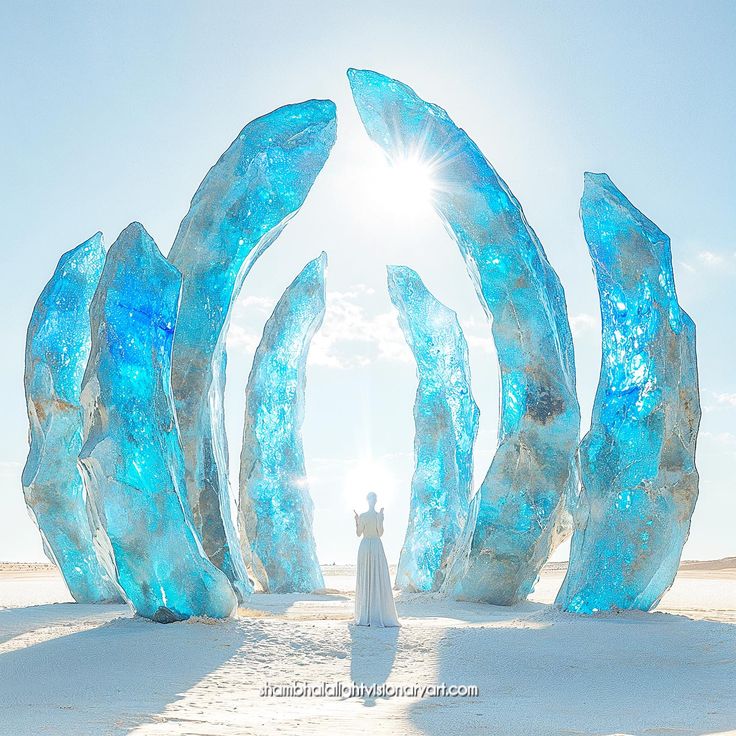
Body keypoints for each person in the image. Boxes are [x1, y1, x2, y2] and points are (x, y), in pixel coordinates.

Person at [353, 492, 400, 627]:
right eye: (371, 498)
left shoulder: (373, 515)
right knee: (369, 577)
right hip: (370, 545)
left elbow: (379, 532)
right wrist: (357, 520)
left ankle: (370, 613)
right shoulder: (365, 515)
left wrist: (380, 519)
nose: (372, 501)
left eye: (374, 499)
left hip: (371, 545)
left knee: (375, 576)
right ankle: (370, 613)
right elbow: (359, 533)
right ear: (368, 500)